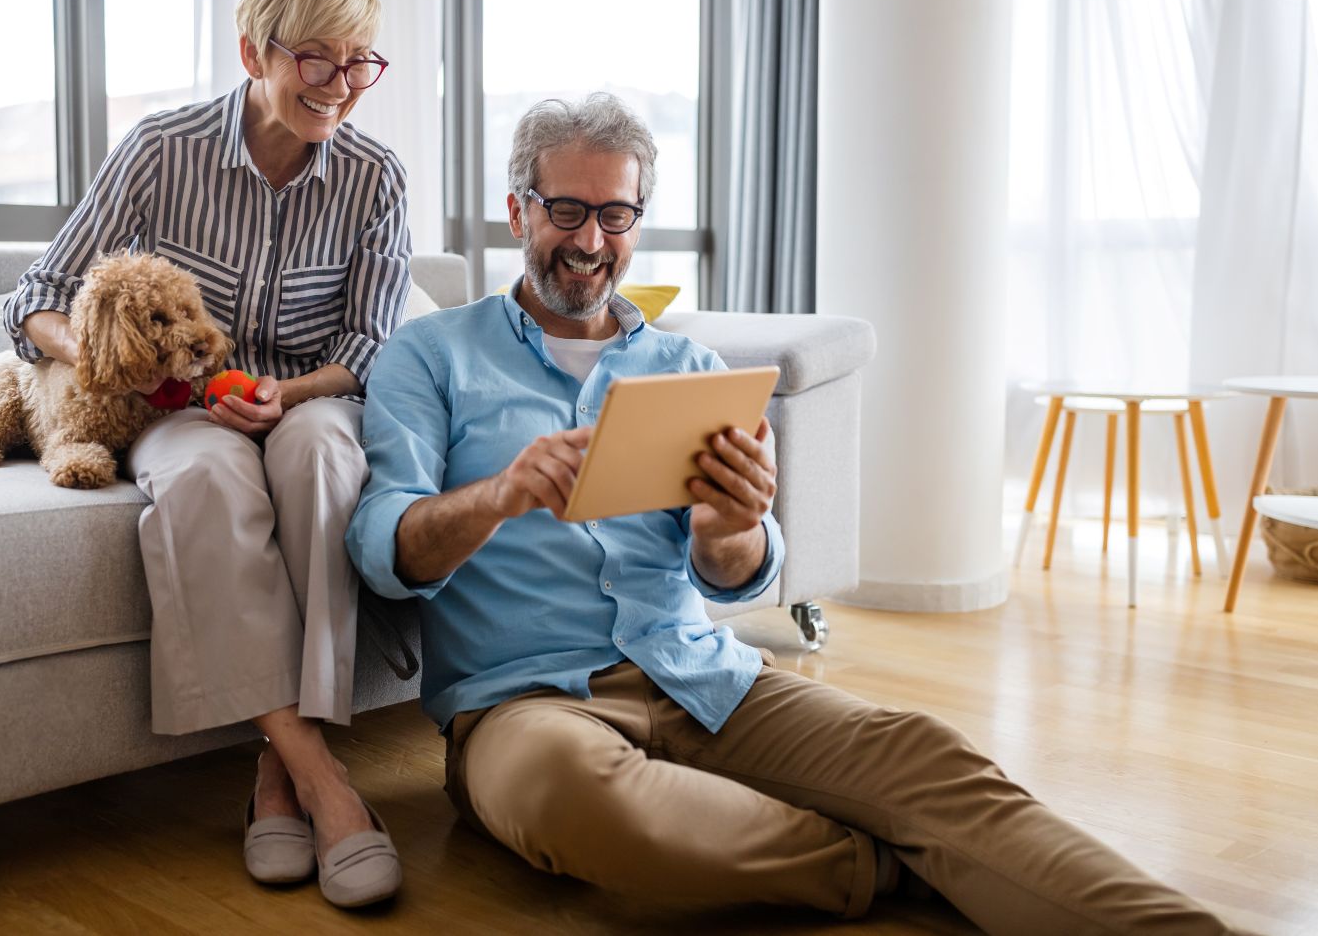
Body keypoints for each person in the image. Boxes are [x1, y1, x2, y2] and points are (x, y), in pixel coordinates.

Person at [345, 93, 1248, 933]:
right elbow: (384, 548)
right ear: (519, 212)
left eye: (614, 214)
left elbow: (740, 572)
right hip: (524, 707)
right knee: (571, 799)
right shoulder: (431, 355)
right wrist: (500, 496)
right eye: (566, 210)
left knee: (925, 755)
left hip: (703, 676)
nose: (590, 239)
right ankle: (886, 862)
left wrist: (730, 528)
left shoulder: (690, 370)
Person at [5, 0, 407, 907]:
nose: (342, 87)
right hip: (178, 410)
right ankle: (321, 776)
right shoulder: (159, 149)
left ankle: (273, 773)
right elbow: (37, 299)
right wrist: (113, 361)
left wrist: (290, 391)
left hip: (306, 398)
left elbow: (372, 343)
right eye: (317, 60)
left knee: (324, 461)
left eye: (361, 63)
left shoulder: (376, 177)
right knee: (202, 480)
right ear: (252, 52)